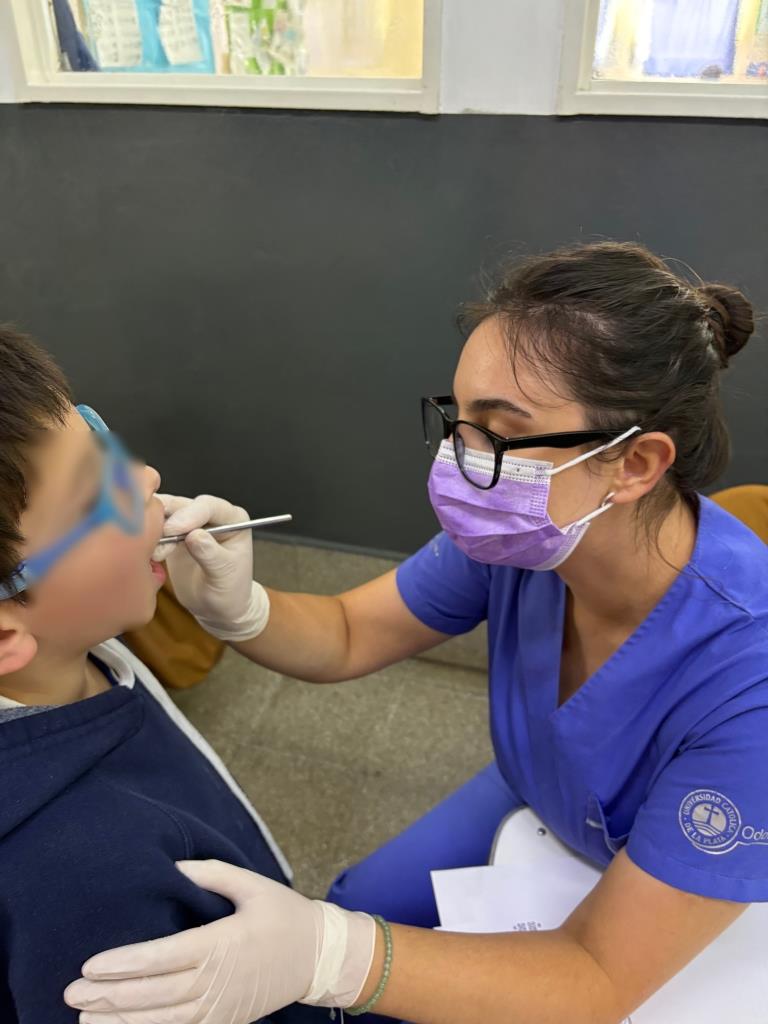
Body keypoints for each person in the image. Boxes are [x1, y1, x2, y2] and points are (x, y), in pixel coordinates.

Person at [66, 242, 767, 1024]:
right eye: (456, 420)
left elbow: (594, 979)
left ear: (635, 464)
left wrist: (332, 957)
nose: (460, 462)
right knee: (361, 902)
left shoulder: (749, 679)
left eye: (497, 433)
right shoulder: (526, 545)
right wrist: (241, 609)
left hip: (669, 861)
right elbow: (346, 632)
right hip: (543, 787)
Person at [0, 326, 324, 1024]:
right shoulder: (85, 887)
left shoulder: (73, 651)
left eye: (99, 437)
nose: (144, 479)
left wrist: (246, 613)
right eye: (95, 498)